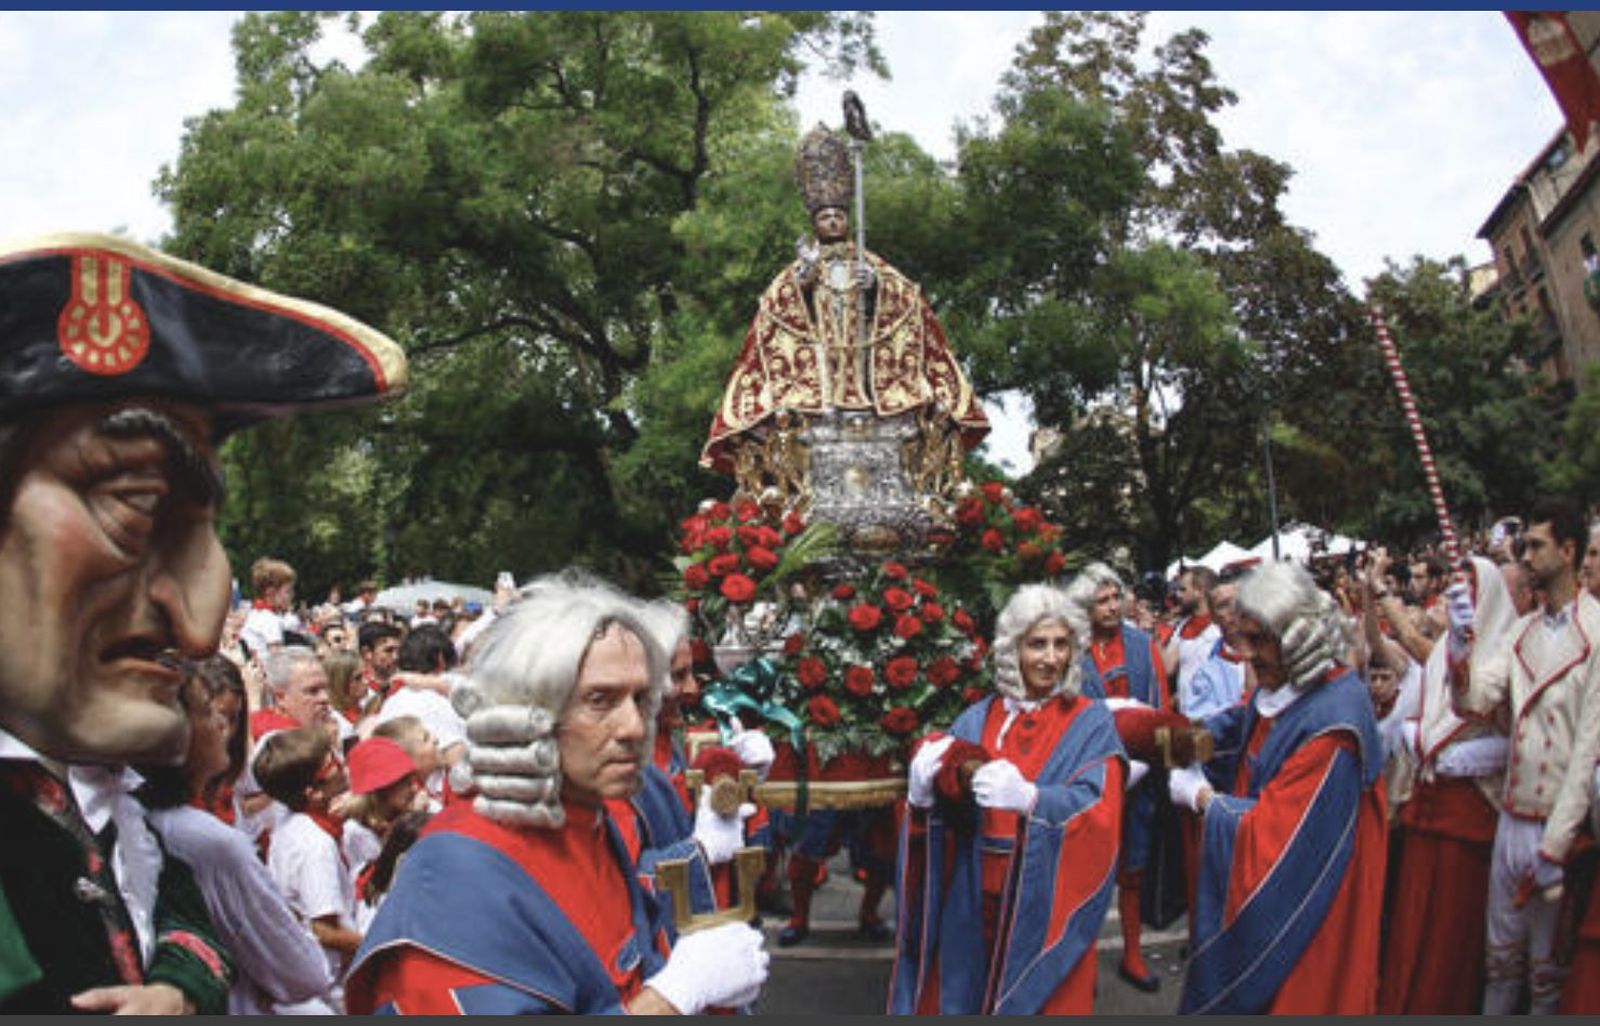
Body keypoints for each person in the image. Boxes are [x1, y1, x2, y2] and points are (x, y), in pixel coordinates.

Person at [0, 230, 406, 1013]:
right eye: (135, 504)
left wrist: (178, 992)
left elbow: (188, 925)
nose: (193, 624)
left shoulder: (107, 802)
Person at [345, 580, 769, 1014]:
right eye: (599, 700)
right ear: (528, 711)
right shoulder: (456, 874)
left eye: (641, 698)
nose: (635, 728)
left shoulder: (588, 820)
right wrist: (672, 997)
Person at [700, 123, 988, 481]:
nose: (834, 221)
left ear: (848, 221)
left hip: (863, 354)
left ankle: (872, 408)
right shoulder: (803, 265)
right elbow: (778, 307)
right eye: (825, 217)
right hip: (824, 353)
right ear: (814, 223)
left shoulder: (869, 262)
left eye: (839, 216)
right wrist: (804, 279)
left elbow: (909, 299)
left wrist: (876, 287)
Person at [890, 583, 1125, 1014]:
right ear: (1013, 648)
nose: (1051, 658)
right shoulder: (978, 716)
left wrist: (1035, 801)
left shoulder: (1092, 722)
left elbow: (1102, 812)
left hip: (1042, 907)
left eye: (1061, 645)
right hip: (972, 900)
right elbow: (945, 807)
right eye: (1038, 644)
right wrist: (923, 797)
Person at [1168, 561, 1386, 1013]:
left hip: (1308, 907)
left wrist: (1203, 799)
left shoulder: (1333, 723)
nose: (1244, 653)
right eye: (1239, 637)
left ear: (1297, 638)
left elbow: (1275, 838)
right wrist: (1176, 739)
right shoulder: (1290, 685)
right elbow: (1240, 727)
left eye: (1258, 640)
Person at [1448, 497, 1600, 1014]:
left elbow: (1586, 752)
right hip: (1511, 820)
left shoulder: (1597, 633)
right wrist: (1460, 646)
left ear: (1568, 549)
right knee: (1499, 967)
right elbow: (1476, 701)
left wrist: (1556, 846)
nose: (1525, 555)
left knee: (1545, 978)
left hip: (1559, 825)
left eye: (1535, 545)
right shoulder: (1521, 631)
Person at [138, 657, 333, 1015]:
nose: (223, 728)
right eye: (209, 713)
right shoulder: (208, 839)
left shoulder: (150, 816)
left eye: (230, 717)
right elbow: (306, 973)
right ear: (173, 734)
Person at [1377, 555, 1515, 1014]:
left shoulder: (1507, 652)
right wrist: (1419, 739)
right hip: (1428, 802)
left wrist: (1459, 755)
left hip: (1472, 813)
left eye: (1472, 592)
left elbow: (1489, 710)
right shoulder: (1439, 653)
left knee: (1450, 939)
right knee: (1412, 926)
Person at [1066, 562, 1169, 992]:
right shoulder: (1072, 649)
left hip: (1142, 777)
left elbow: (1161, 705)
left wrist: (1149, 760)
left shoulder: (1144, 645)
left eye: (1114, 598)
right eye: (1100, 601)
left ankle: (1132, 953)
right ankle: (1079, 962)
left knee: (1135, 867)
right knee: (1084, 872)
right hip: (1092, 779)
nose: (1111, 607)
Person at [255, 725, 362, 1014]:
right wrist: (379, 947)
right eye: (332, 764)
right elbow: (325, 930)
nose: (342, 765)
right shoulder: (314, 845)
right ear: (312, 792)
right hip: (327, 991)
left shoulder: (295, 825)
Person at [1162, 566, 1222, 715]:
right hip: (1188, 717)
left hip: (1216, 715)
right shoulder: (1182, 627)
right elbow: (1167, 667)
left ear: (1200, 591)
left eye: (1183, 590)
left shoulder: (1222, 627)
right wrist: (1154, 636)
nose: (1178, 594)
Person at [239, 557, 298, 661]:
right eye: (287, 591)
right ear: (270, 592)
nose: (292, 595)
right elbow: (277, 659)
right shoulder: (269, 620)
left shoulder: (256, 613)